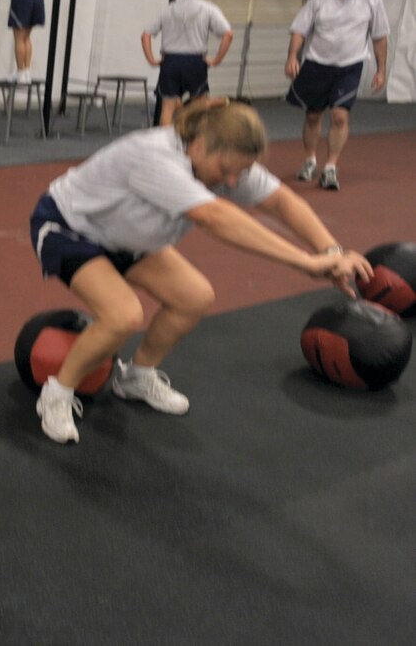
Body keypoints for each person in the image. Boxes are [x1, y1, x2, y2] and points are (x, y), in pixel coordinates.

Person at [29, 101, 371, 444]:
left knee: (194, 297)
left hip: (128, 238)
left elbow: (283, 202)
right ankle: (57, 394)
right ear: (201, 144)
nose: (232, 180)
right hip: (71, 228)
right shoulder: (154, 156)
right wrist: (305, 263)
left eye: (240, 172)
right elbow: (215, 218)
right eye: (225, 170)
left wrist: (332, 252)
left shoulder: (228, 161)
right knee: (122, 316)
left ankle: (135, 377)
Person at [284, 0, 390, 191]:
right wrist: (292, 57)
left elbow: (380, 36)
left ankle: (330, 168)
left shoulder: (371, 0)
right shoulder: (319, 1)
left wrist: (381, 70)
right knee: (313, 116)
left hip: (350, 66)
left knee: (340, 116)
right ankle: (310, 160)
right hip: (316, 64)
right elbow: (299, 30)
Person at [141, 0, 234, 127]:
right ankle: (194, 139)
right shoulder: (209, 8)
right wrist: (217, 60)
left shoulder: (169, 9)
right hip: (195, 61)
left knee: (168, 107)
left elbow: (145, 35)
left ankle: (165, 143)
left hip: (170, 60)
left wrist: (151, 59)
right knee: (199, 104)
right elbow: (228, 35)